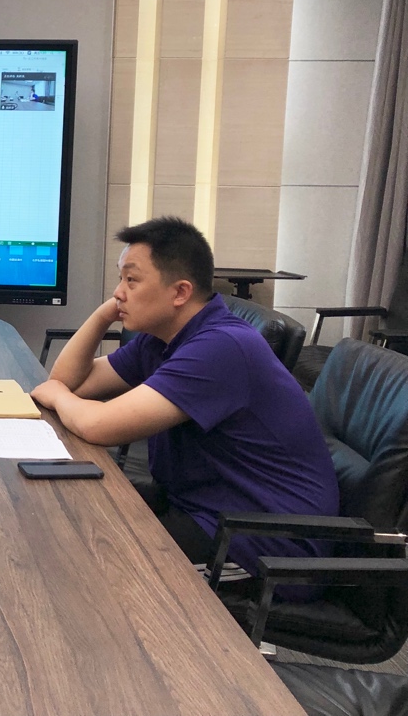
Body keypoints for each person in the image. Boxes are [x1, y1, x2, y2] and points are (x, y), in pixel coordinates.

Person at [30, 216, 338, 589]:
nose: (119, 292)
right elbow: (69, 381)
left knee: (90, 567)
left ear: (179, 293)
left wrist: (59, 395)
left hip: (265, 544)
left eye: (131, 280)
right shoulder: (162, 337)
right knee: (65, 527)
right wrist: (103, 314)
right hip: (203, 510)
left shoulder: (221, 347)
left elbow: (99, 424)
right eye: (120, 279)